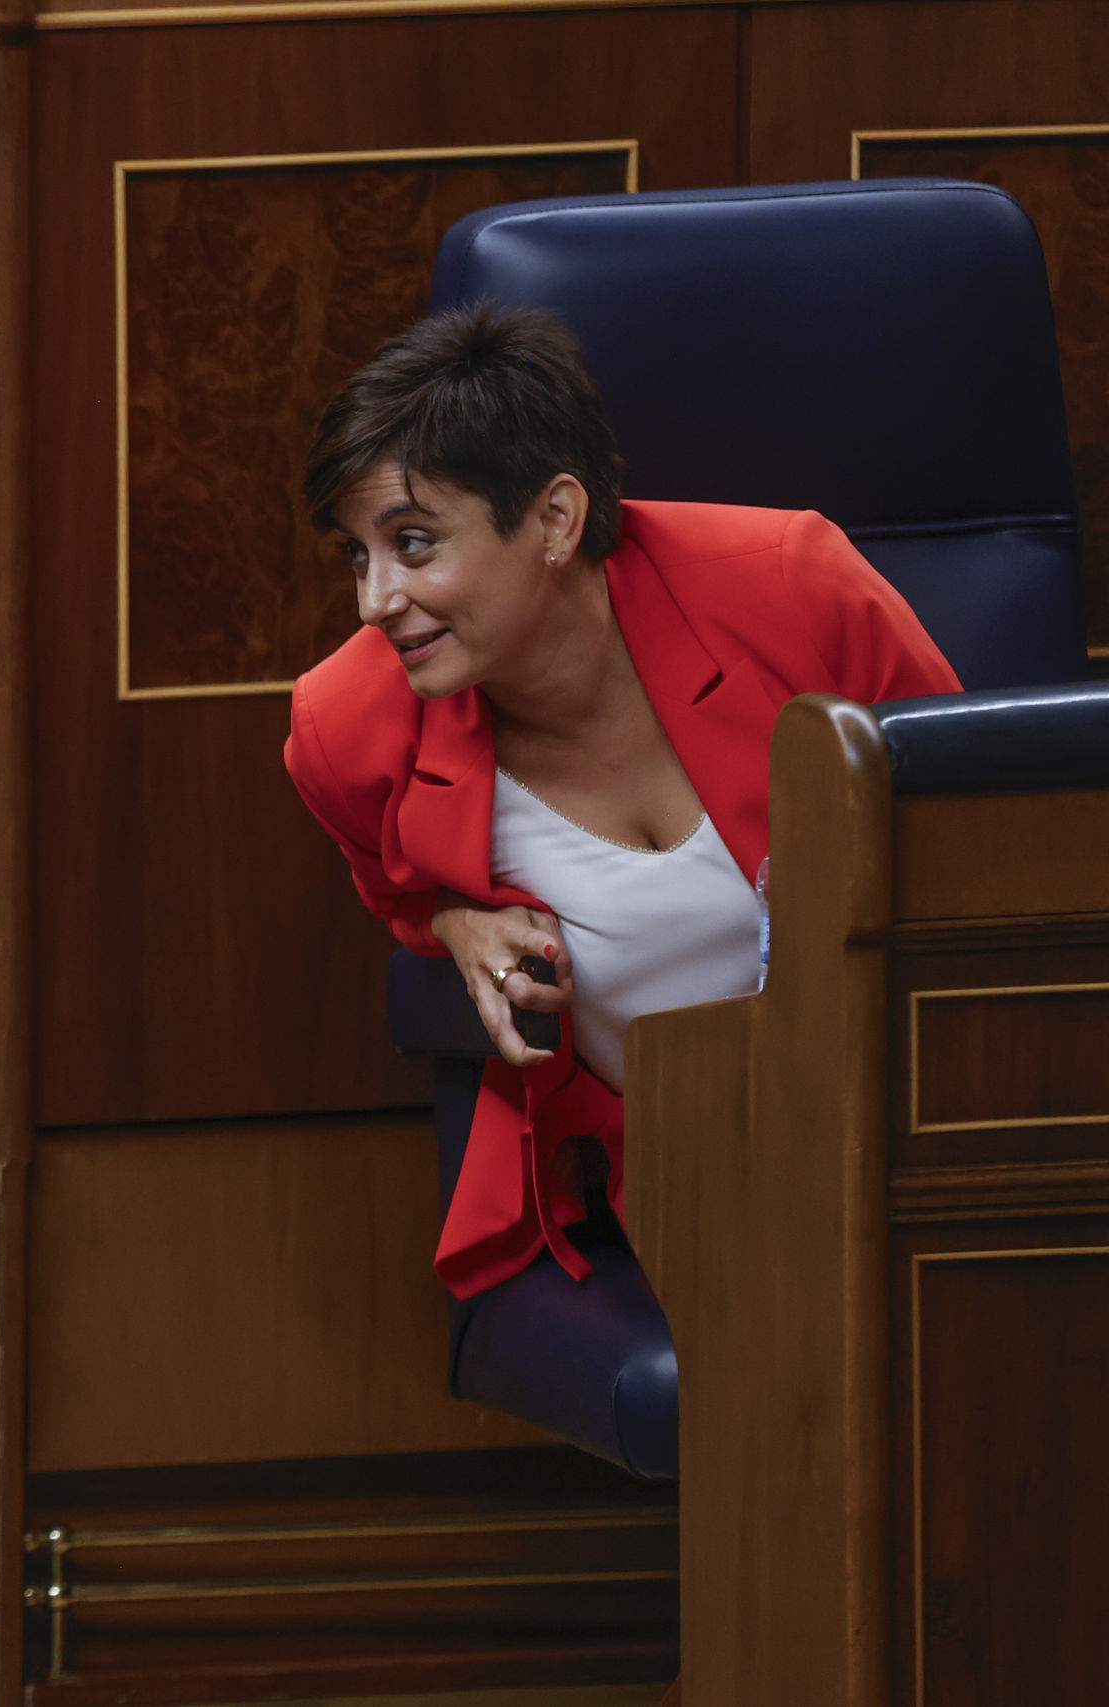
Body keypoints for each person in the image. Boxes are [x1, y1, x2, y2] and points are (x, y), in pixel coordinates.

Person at [284, 304, 958, 1345]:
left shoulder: (791, 588)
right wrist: (455, 920)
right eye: (356, 554)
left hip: (931, 1111)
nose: (376, 600)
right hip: (701, 1184)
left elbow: (979, 826)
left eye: (413, 544)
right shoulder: (348, 729)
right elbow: (397, 890)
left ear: (555, 519)